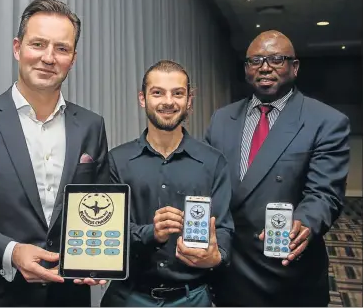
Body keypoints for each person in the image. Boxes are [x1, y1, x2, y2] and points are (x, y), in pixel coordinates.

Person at [0, 0, 109, 307]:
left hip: (68, 299)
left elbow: (99, 209)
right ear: (17, 48)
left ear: (72, 59)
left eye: (61, 48)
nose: (48, 57)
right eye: (38, 44)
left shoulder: (91, 126)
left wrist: (99, 257)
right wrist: (11, 252)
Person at [205, 30, 350, 307]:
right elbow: (210, 184)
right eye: (255, 60)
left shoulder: (326, 121)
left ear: (294, 67)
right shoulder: (222, 119)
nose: (265, 67)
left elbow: (325, 194)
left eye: (276, 59)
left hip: (289, 269)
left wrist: (305, 222)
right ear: (247, 69)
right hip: (232, 268)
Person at [100, 60, 234, 307]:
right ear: (143, 99)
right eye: (158, 92)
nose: (168, 101)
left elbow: (224, 228)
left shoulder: (214, 162)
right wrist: (152, 233)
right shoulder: (116, 161)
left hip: (192, 297)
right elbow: (108, 232)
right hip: (129, 296)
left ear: (189, 100)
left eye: (178, 93)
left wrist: (216, 256)